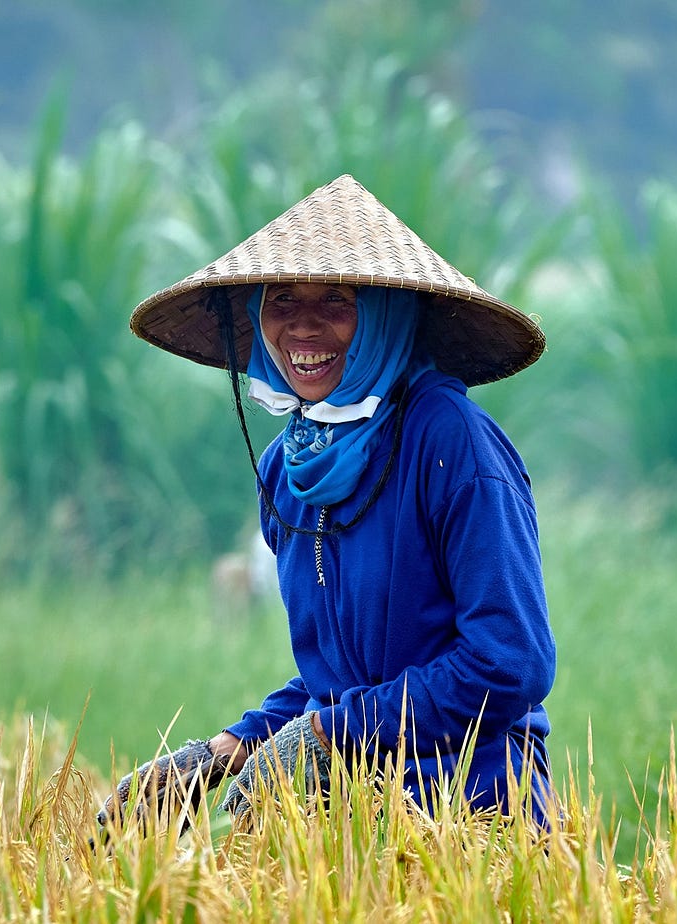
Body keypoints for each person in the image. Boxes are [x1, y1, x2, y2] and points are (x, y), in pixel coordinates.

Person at [101, 174, 556, 833]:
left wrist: (329, 735)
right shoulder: (288, 471)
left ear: (386, 315)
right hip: (346, 819)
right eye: (282, 300)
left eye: (337, 302)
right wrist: (226, 750)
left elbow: (509, 661)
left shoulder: (452, 442)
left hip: (470, 810)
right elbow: (346, 681)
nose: (303, 326)